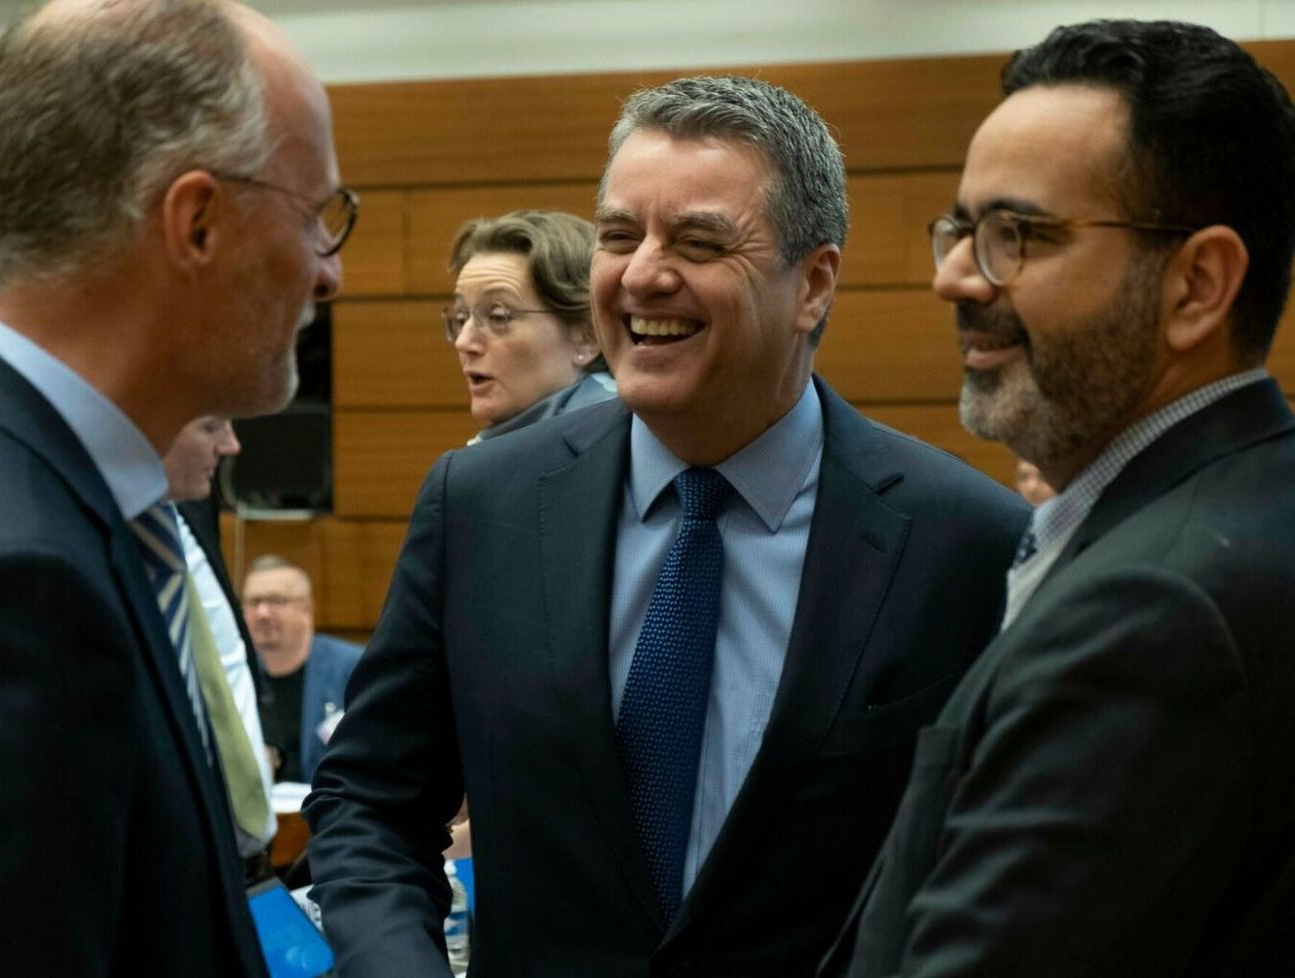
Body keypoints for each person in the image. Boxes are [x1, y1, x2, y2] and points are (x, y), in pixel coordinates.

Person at [305, 74, 1027, 978]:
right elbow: (371, 801)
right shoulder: (480, 505)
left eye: (698, 241)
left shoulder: (962, 542)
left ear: (814, 284)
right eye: (619, 235)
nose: (642, 272)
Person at [821, 19, 1295, 978]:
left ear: (1197, 285)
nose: (952, 276)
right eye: (960, 229)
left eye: (1016, 235)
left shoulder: (1152, 615)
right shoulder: (1246, 502)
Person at [0, 0, 348, 972]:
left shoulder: (89, 505)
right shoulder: (25, 575)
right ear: (195, 223)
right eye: (316, 217)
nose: (331, 274)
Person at [165, 415, 279, 881]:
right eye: (210, 426)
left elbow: (224, 633)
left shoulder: (192, 501)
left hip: (249, 854)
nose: (231, 445)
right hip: (181, 858)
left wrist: (266, 737)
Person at [446, 209, 614, 443]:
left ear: (588, 337)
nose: (464, 342)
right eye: (462, 318)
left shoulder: (615, 441)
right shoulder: (511, 440)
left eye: (498, 317)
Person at [243, 555, 362, 784]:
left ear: (306, 610)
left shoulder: (352, 669)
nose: (263, 613)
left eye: (275, 601)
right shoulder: (237, 675)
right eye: (254, 602)